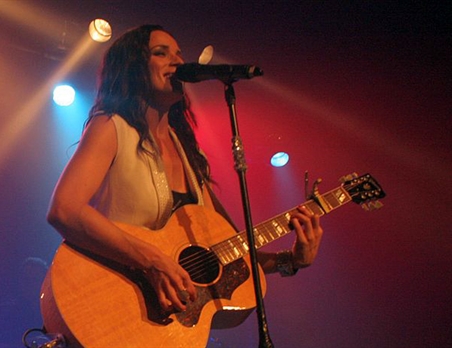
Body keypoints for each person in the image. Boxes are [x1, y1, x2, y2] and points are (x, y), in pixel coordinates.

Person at [46, 24, 323, 346]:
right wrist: (152, 260)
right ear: (133, 66)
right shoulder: (111, 126)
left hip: (168, 329)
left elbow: (226, 253)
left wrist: (291, 261)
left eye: (179, 54)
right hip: (111, 304)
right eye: (161, 53)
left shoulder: (190, 154)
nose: (177, 62)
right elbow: (64, 209)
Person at [0, 257, 48, 348]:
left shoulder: (51, 312)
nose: (30, 284)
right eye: (26, 279)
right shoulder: (5, 311)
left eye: (35, 279)